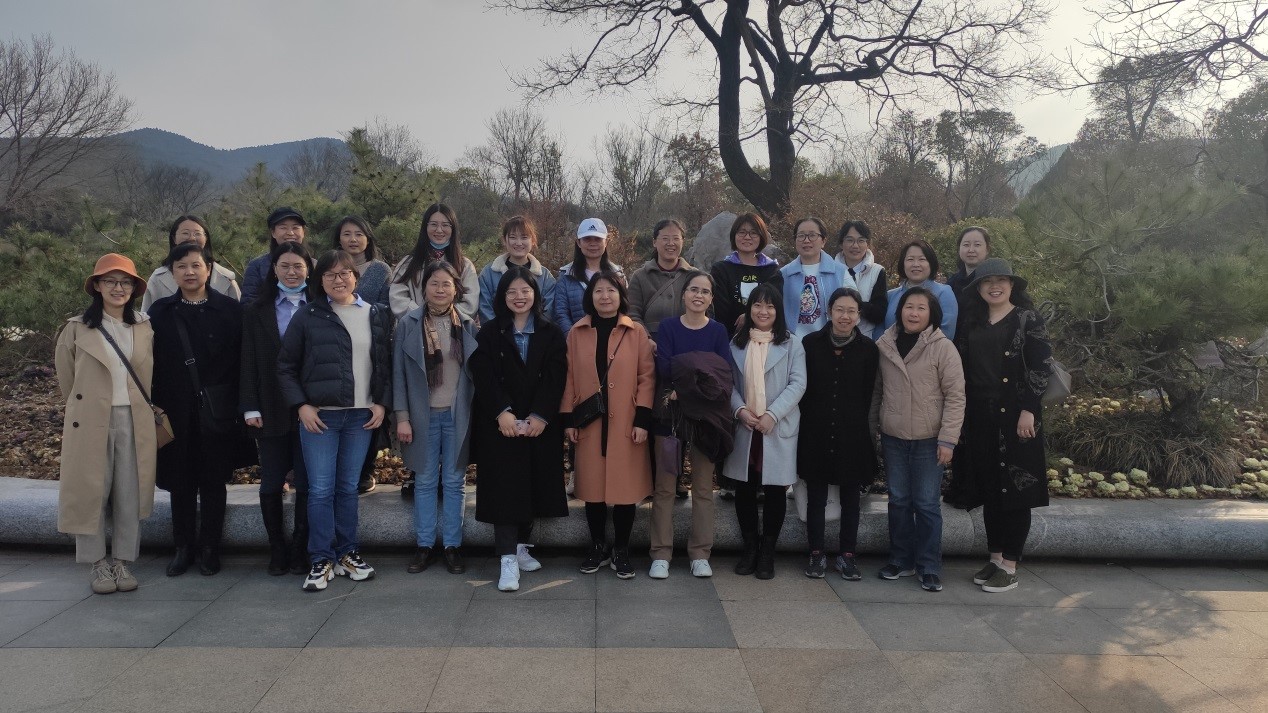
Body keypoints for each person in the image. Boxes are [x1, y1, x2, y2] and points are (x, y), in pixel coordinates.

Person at [278, 250, 392, 592]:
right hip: (321, 418)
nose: (338, 280)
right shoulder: (308, 315)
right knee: (320, 490)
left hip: (361, 417)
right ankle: (321, 558)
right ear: (320, 281)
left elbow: (383, 364)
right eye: (330, 275)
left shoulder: (375, 313)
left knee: (347, 488)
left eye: (345, 273)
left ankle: (347, 553)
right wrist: (301, 406)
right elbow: (285, 366)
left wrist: (381, 403)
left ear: (355, 277)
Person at [56, 254, 158, 594]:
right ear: (97, 286)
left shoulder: (142, 326)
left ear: (134, 288)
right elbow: (67, 379)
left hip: (134, 417)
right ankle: (97, 564)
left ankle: (123, 561)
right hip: (90, 419)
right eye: (110, 281)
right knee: (91, 491)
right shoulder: (76, 328)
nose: (118, 288)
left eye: (126, 282)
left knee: (130, 491)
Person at [950, 258, 1051, 593]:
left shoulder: (1026, 318)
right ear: (978, 288)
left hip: (1016, 417)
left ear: (1011, 285)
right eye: (987, 281)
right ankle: (994, 558)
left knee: (1016, 490)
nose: (994, 287)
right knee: (990, 488)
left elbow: (1041, 367)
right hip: (979, 416)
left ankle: (1010, 564)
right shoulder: (971, 321)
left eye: (1001, 280)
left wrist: (1029, 410)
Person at [149, 243, 250, 577]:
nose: (189, 272)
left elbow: (242, 361)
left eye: (196, 265)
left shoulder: (230, 310)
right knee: (180, 481)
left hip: (218, 411)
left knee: (213, 481)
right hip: (175, 410)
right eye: (181, 266)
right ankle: (182, 548)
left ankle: (210, 548)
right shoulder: (160, 312)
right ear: (172, 272)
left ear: (209, 268)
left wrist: (241, 406)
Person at [470, 266, 569, 592]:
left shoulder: (551, 332)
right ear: (502, 296)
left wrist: (541, 415)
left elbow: (556, 376)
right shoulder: (489, 333)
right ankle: (507, 559)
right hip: (501, 425)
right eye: (511, 291)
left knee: (533, 484)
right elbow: (483, 376)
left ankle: (521, 547)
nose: (519, 297)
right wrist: (502, 413)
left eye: (525, 291)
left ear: (535, 294)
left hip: (539, 424)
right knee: (505, 489)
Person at [561, 271, 654, 579]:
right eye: (598, 291)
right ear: (590, 296)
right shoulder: (577, 332)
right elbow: (568, 377)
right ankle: (598, 546)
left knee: (626, 490)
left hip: (626, 420)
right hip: (589, 420)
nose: (605, 296)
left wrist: (642, 419)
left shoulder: (635, 331)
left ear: (620, 295)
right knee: (593, 489)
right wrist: (568, 419)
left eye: (611, 290)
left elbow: (647, 377)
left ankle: (621, 549)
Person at [875, 286, 965, 593]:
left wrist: (948, 440)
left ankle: (929, 566)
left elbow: (956, 396)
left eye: (921, 308)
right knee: (898, 500)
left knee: (926, 504)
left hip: (930, 439)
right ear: (899, 310)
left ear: (931, 314)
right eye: (908, 307)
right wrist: (873, 429)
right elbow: (877, 392)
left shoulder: (943, 347)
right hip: (893, 436)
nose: (913, 313)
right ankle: (900, 560)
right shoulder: (885, 344)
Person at [648, 271, 734, 580]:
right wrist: (699, 372)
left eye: (705, 291)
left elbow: (722, 373)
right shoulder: (668, 327)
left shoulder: (718, 331)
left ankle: (700, 553)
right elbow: (665, 366)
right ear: (684, 295)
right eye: (694, 289)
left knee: (703, 488)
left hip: (706, 418)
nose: (699, 295)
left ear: (711, 299)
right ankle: (661, 553)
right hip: (669, 416)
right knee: (664, 487)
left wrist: (684, 382)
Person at [394, 260, 478, 576]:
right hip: (422, 416)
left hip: (457, 416)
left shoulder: (467, 325)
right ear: (424, 287)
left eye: (446, 284)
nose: (440, 289)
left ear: (456, 289)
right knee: (426, 481)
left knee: (455, 482)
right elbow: (399, 374)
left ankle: (453, 546)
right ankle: (425, 545)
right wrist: (402, 416)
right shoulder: (408, 324)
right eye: (434, 283)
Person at [240, 242, 315, 576]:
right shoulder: (257, 309)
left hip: (311, 407)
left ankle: (300, 548)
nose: (291, 272)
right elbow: (247, 360)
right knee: (271, 482)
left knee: (307, 483)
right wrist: (249, 406)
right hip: (269, 405)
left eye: (298, 266)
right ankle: (277, 549)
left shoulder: (321, 306)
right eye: (284, 266)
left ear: (308, 269)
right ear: (273, 270)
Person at [723, 283, 807, 580]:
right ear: (749, 309)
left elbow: (798, 383)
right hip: (746, 425)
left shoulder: (792, 344)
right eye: (757, 305)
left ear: (778, 311)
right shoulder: (736, 343)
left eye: (770, 306)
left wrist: (772, 414)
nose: (763, 311)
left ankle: (767, 551)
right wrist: (739, 410)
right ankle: (750, 548)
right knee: (744, 488)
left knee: (774, 490)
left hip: (776, 426)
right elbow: (727, 383)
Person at [797, 288, 881, 580]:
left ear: (859, 315)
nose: (845, 316)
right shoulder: (810, 344)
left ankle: (847, 555)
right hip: (815, 431)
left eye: (851, 311)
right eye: (840, 310)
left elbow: (869, 394)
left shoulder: (869, 349)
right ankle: (816, 553)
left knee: (851, 500)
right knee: (816, 497)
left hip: (852, 433)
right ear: (829, 311)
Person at [333, 215, 391, 495]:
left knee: (370, 407)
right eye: (347, 234)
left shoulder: (380, 269)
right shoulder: (331, 265)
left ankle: (366, 469)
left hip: (371, 347)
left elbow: (386, 308)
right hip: (334, 348)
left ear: (368, 238)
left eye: (359, 233)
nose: (353, 239)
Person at [390, 203, 479, 322]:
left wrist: (444, 318)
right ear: (425, 227)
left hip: (453, 328)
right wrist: (421, 316)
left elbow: (471, 301)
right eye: (433, 224)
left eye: (445, 225)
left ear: (453, 229)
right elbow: (397, 296)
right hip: (415, 325)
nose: (439, 230)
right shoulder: (408, 263)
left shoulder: (465, 265)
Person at [142, 215, 241, 310]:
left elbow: (238, 315)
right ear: (174, 238)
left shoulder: (227, 278)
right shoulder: (158, 278)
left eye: (197, 233)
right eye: (185, 233)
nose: (192, 238)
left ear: (206, 238)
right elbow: (146, 316)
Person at [780, 216, 856, 339]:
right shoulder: (784, 274)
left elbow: (854, 308)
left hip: (830, 342)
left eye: (812, 235)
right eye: (801, 236)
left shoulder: (840, 272)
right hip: (793, 343)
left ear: (823, 241)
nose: (806, 240)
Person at [710, 213, 784, 339]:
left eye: (753, 233)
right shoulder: (720, 270)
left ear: (761, 237)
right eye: (742, 232)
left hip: (765, 338)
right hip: (729, 338)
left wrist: (749, 317)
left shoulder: (772, 270)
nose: (747, 237)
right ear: (734, 235)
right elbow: (720, 310)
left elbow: (774, 305)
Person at [477, 215, 558, 325]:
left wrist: (531, 331)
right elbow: (485, 309)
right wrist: (499, 331)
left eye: (524, 237)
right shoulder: (489, 273)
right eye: (513, 237)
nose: (519, 243)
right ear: (504, 240)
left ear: (533, 240)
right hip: (496, 334)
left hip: (537, 334)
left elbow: (548, 312)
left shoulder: (544, 276)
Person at [553, 218, 626, 335]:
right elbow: (561, 313)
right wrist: (573, 338)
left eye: (598, 239)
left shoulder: (618, 274)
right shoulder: (566, 275)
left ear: (606, 242)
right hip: (577, 340)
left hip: (614, 339)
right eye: (587, 239)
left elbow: (625, 309)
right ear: (578, 242)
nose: (593, 243)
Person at [627, 218, 695, 343]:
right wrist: (646, 340)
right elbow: (632, 314)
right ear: (654, 242)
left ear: (683, 241)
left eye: (676, 238)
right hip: (651, 346)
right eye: (665, 238)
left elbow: (707, 313)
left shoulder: (695, 276)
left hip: (688, 344)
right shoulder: (640, 276)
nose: (671, 243)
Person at [877, 240, 959, 340]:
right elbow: (879, 329)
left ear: (931, 263)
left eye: (922, 259)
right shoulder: (890, 296)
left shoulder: (944, 293)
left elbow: (946, 333)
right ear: (903, 264)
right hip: (888, 349)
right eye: (910, 259)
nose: (916, 264)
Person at [833, 220, 887, 341]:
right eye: (850, 240)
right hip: (832, 338)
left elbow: (879, 313)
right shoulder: (830, 270)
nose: (855, 246)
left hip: (865, 340)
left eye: (861, 240)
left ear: (868, 244)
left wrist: (855, 306)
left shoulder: (877, 271)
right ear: (841, 243)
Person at [241, 206, 307, 304]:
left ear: (303, 232)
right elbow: (248, 304)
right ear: (273, 232)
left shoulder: (315, 265)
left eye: (295, 227)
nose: (290, 233)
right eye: (283, 227)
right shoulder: (257, 266)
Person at [946, 225, 992, 299]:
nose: (971, 250)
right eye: (966, 245)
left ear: (987, 249)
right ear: (959, 249)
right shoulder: (952, 283)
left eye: (977, 245)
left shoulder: (994, 280)